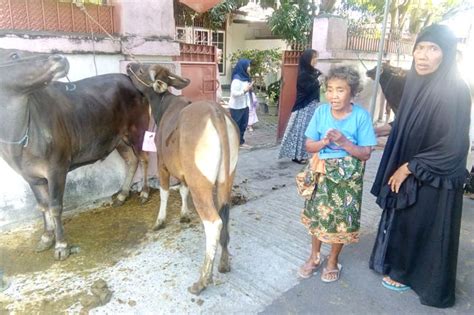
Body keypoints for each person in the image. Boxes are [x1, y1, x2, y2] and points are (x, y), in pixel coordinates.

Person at [369, 24, 471, 308]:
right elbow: (408, 120)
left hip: (434, 174)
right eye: (420, 47)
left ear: (447, 54)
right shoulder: (416, 82)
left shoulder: (456, 90)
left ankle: (414, 276)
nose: (423, 56)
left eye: (433, 49)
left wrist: (409, 167)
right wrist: (381, 129)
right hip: (414, 165)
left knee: (422, 225)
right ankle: (399, 267)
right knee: (405, 221)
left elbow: (453, 146)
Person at [299, 65, 377, 282]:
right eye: (330, 89)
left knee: (340, 221)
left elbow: (365, 154)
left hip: (348, 181)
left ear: (352, 91)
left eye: (340, 90)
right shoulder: (321, 112)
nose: (333, 95)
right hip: (322, 175)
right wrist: (324, 141)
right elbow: (309, 145)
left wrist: (343, 141)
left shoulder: (361, 117)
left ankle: (332, 260)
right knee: (317, 218)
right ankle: (314, 257)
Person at [279, 48, 322, 164]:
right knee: (301, 131)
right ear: (308, 59)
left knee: (308, 131)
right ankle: (298, 156)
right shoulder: (304, 74)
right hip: (304, 107)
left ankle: (302, 154)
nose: (316, 60)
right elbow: (309, 89)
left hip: (311, 106)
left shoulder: (313, 72)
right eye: (314, 57)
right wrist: (319, 81)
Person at [229, 58, 253, 149]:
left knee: (243, 124)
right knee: (236, 126)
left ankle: (240, 142)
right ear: (243, 67)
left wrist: (249, 88)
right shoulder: (237, 79)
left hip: (244, 105)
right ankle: (234, 143)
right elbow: (234, 94)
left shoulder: (245, 77)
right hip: (236, 107)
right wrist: (245, 90)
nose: (249, 68)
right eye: (248, 66)